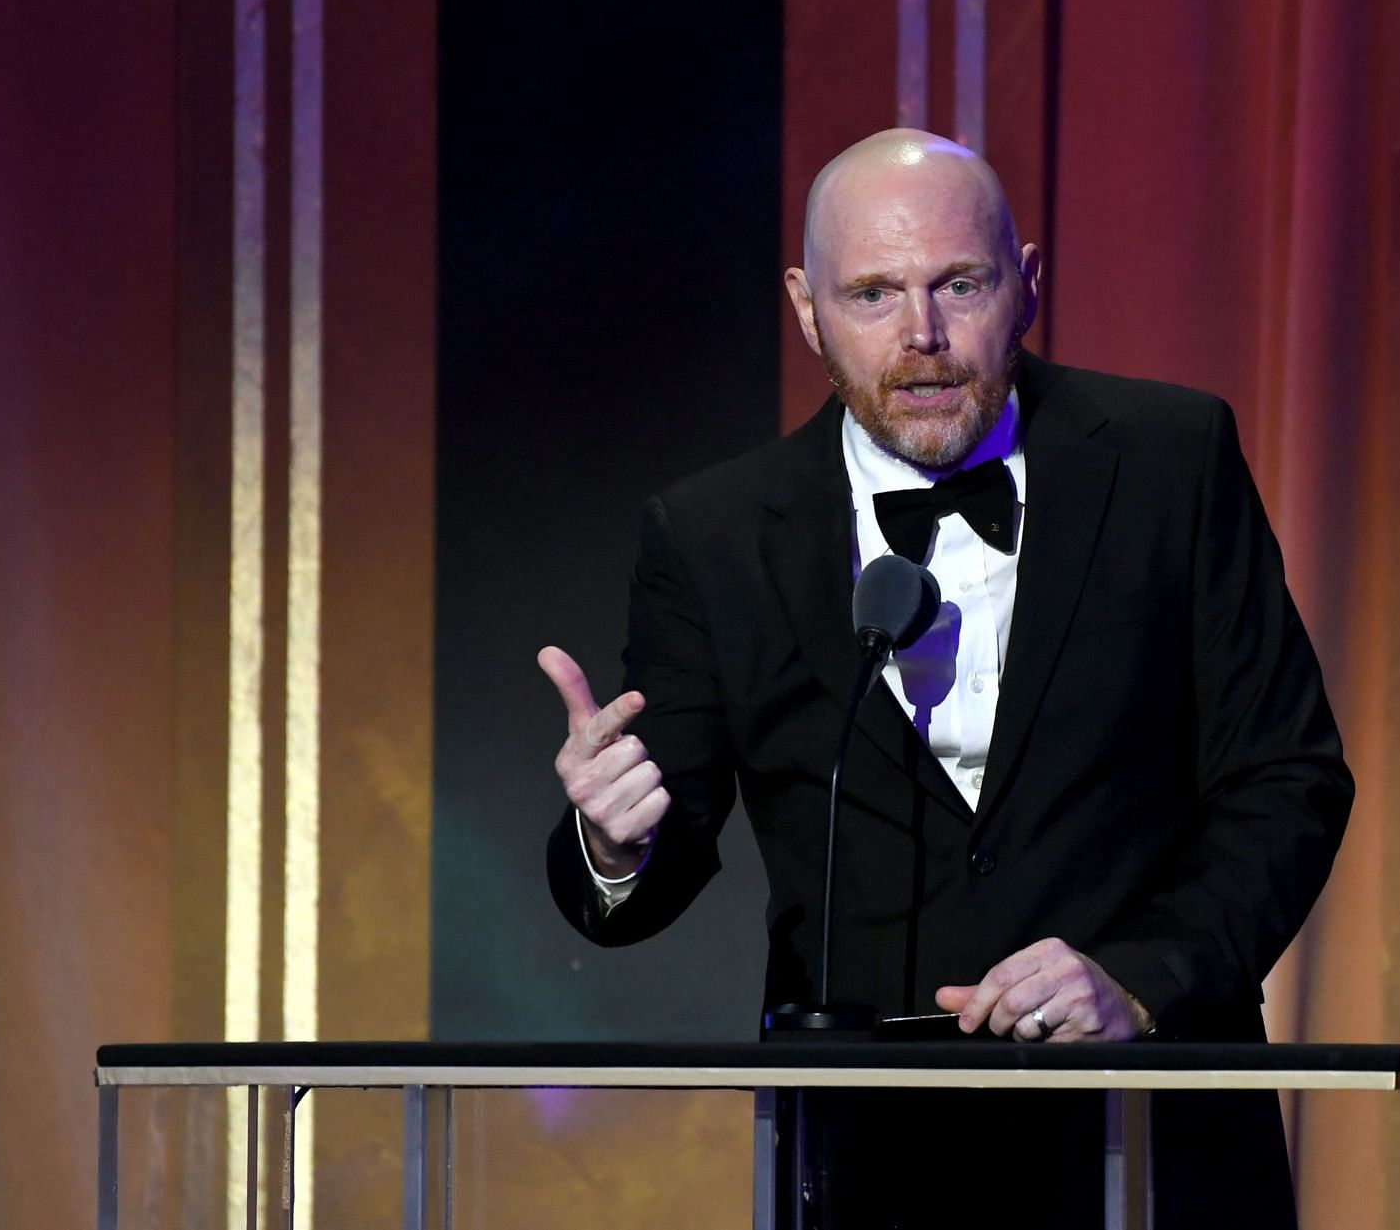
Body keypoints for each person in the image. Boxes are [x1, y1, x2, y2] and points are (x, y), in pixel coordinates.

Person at [543, 128, 1353, 1227]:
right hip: (870, 1162)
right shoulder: (715, 535)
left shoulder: (1172, 459)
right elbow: (660, 848)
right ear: (806, 306)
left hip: (1156, 1140)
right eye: (872, 294)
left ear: (1024, 284)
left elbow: (1287, 779)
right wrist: (613, 842)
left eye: (956, 285)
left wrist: (1137, 980)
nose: (921, 337)